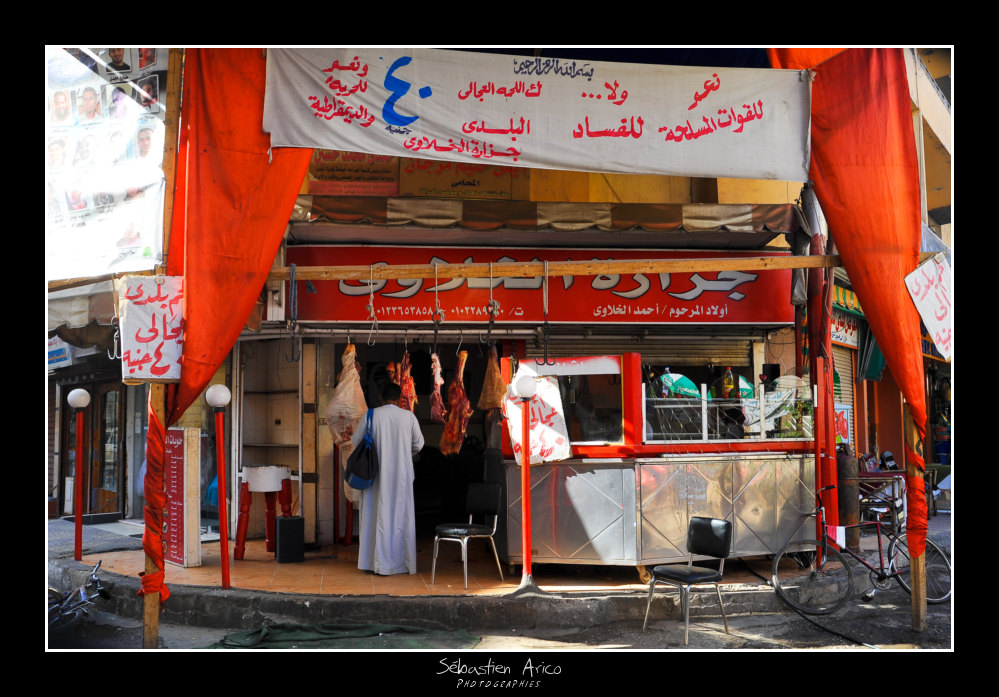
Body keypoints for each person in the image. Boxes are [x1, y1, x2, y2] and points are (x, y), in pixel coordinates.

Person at [351, 381, 424, 575]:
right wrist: (403, 452)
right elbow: (419, 444)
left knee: (373, 515)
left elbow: (356, 442)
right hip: (401, 476)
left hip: (374, 475)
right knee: (401, 516)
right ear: (400, 399)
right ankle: (402, 563)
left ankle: (372, 563)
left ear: (381, 397)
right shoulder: (408, 417)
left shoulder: (371, 415)